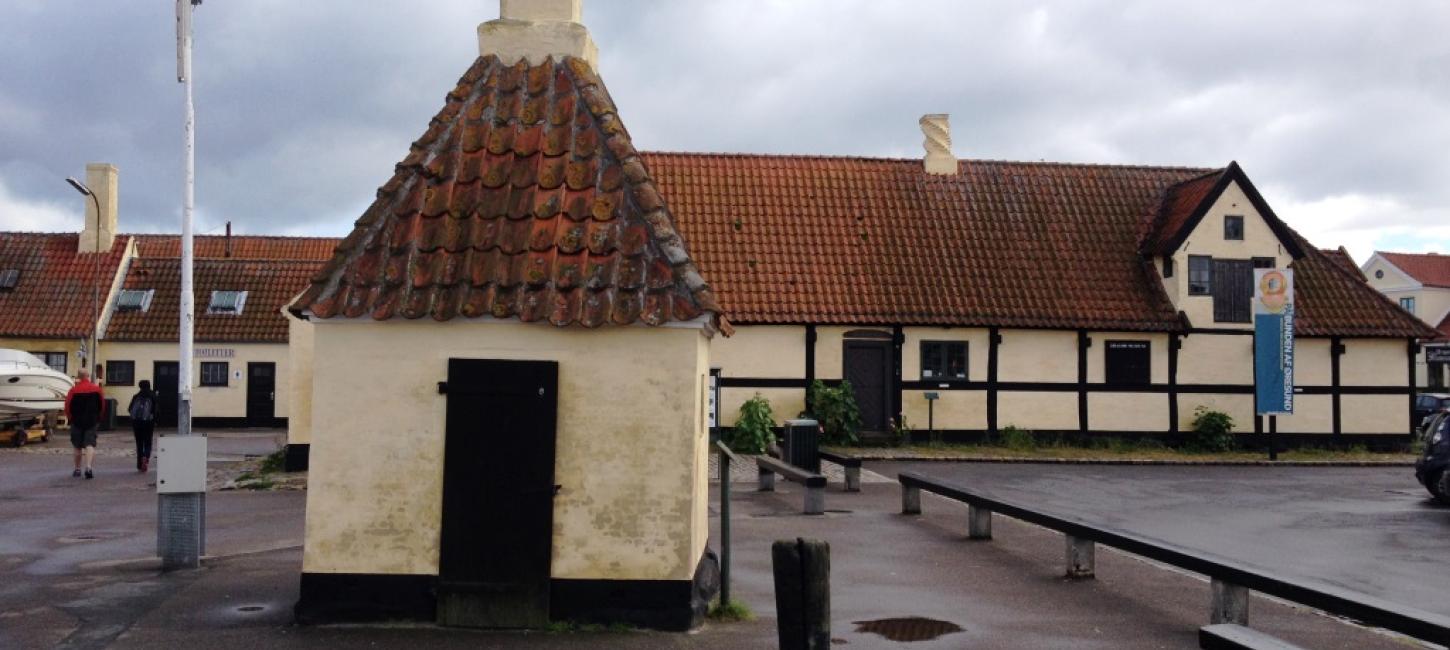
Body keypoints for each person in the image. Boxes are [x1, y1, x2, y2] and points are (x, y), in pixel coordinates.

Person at [64, 368, 106, 479]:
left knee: (77, 446)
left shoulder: (73, 390)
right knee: (90, 444)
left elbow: (67, 406)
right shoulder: (97, 390)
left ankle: (77, 469)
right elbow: (102, 405)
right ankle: (88, 467)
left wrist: (70, 418)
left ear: (78, 376)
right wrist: (99, 418)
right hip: (91, 420)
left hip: (76, 421)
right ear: (88, 376)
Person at [128, 380, 157, 473]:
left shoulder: (136, 396)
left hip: (136, 422)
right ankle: (146, 457)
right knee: (148, 441)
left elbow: (130, 409)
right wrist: (156, 420)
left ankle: (140, 464)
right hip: (148, 422)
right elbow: (157, 410)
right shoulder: (153, 396)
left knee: (139, 443)